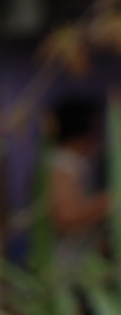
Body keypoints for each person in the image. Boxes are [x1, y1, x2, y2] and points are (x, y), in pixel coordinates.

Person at [47, 97, 110, 277]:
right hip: (67, 267)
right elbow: (67, 216)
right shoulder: (62, 164)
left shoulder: (73, 162)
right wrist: (108, 201)